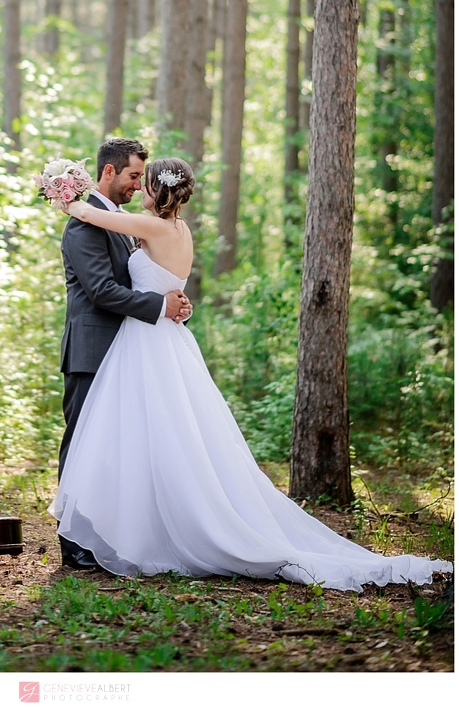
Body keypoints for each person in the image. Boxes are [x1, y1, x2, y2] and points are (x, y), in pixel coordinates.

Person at [51, 157, 453, 591]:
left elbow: (91, 214)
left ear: (157, 190)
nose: (139, 188)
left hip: (149, 343)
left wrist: (62, 191)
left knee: (159, 434)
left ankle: (159, 527)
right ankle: (143, 520)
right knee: (162, 435)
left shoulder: (152, 227)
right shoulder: (177, 230)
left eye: (143, 182)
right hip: (158, 339)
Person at [57, 137, 192, 570]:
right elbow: (99, 290)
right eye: (134, 176)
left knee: (118, 448)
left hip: (131, 350)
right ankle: (73, 541)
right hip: (93, 349)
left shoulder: (127, 222)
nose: (137, 185)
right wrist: (161, 305)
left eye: (144, 178)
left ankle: (109, 536)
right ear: (110, 172)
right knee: (82, 443)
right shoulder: (84, 224)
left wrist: (171, 300)